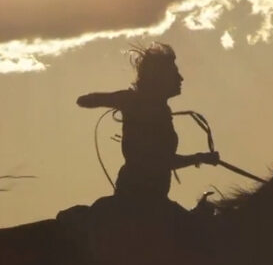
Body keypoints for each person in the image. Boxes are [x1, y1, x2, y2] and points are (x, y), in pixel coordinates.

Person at [76, 42, 219, 210]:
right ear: (160, 78)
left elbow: (85, 101)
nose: (181, 78)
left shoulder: (156, 109)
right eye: (175, 73)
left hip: (152, 198)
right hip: (140, 200)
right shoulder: (139, 104)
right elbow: (159, 161)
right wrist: (200, 158)